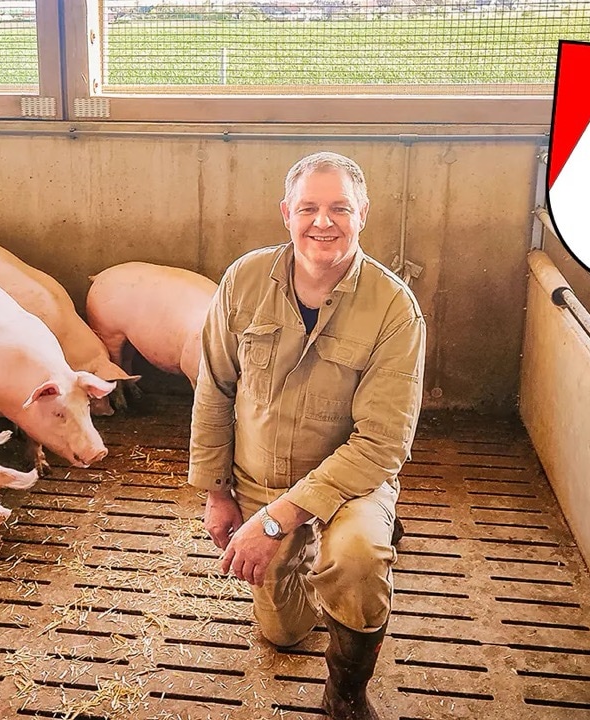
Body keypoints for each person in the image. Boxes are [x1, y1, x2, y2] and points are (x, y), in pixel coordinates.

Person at [187, 151, 426, 720]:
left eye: (340, 208)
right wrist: (217, 491)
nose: (324, 221)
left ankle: (346, 694)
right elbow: (215, 387)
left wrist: (275, 522)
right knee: (285, 632)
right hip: (260, 475)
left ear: (363, 214)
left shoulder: (394, 308)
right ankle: (317, 561)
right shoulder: (244, 280)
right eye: (309, 208)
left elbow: (382, 444)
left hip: (350, 484)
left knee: (357, 558)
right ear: (286, 213)